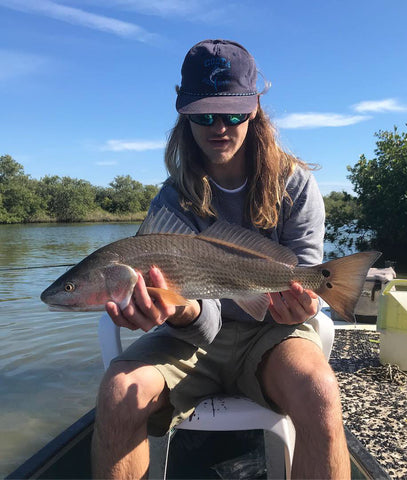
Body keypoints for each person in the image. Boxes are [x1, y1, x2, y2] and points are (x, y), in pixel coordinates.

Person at [92, 39, 350, 479]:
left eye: (234, 113)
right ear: (184, 115)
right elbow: (203, 320)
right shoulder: (171, 200)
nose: (220, 127)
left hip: (271, 333)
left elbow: (310, 284)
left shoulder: (296, 184)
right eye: (204, 114)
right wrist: (182, 310)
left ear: (255, 111)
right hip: (191, 338)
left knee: (321, 392)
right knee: (119, 393)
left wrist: (308, 304)